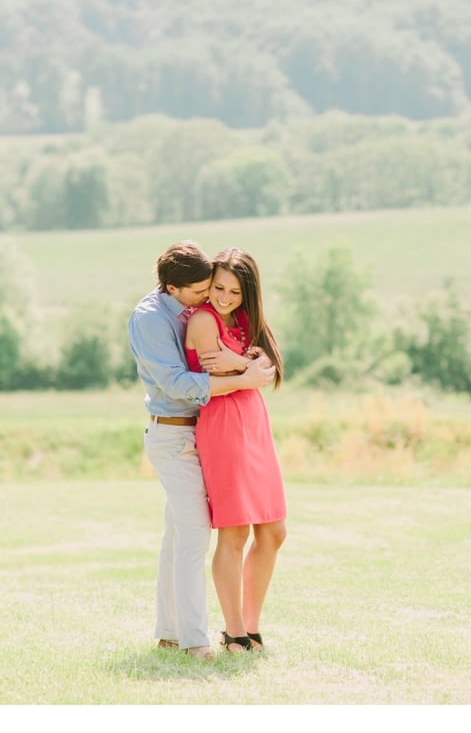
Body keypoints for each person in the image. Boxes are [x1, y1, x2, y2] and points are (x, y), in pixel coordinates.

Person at [128, 241, 276, 662]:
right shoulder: (150, 319)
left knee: (176, 535)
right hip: (173, 435)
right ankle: (196, 641)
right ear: (173, 288)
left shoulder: (190, 309)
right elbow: (178, 383)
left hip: (200, 431)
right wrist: (244, 377)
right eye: (200, 291)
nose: (208, 298)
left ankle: (169, 633)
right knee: (194, 536)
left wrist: (245, 361)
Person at [184, 247, 287, 655]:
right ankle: (234, 632)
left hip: (255, 424)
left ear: (249, 295)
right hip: (224, 424)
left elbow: (269, 368)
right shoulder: (204, 319)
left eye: (235, 292)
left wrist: (244, 365)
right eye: (219, 288)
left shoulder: (245, 321)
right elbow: (218, 369)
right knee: (235, 531)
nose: (225, 297)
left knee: (274, 532)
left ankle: (251, 624)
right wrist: (248, 368)